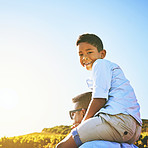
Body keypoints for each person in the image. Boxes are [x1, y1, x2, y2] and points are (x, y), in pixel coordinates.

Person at [56, 33, 142, 148]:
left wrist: (81, 125)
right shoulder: (110, 71)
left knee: (62, 146)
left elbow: (99, 99)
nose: (84, 57)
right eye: (80, 54)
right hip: (133, 129)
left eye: (89, 52)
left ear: (102, 54)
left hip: (117, 121)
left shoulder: (100, 64)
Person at [69, 92, 138, 148]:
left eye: (73, 114)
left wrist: (75, 135)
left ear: (83, 113)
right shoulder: (130, 145)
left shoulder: (89, 146)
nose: (71, 119)